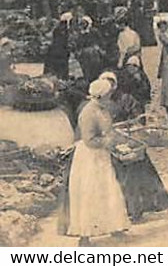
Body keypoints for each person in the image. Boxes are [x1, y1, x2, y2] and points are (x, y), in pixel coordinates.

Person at [61, 77, 129, 245]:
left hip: (101, 155)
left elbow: (107, 130)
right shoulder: (88, 112)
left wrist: (115, 138)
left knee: (109, 189)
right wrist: (109, 141)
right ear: (100, 96)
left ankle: (115, 227)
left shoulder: (102, 108)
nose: (110, 98)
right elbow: (89, 140)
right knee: (90, 193)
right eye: (108, 95)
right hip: (89, 157)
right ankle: (85, 235)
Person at [44, 13, 72, 80]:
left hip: (56, 50)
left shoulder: (58, 28)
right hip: (60, 51)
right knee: (60, 67)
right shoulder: (63, 29)